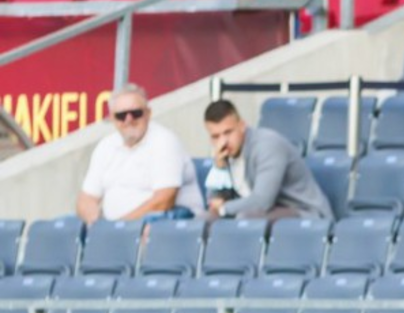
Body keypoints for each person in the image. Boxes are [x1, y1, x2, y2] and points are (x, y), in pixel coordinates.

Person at [76, 84, 203, 225]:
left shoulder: (164, 141)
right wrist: (97, 223)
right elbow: (86, 199)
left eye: (136, 113)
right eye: (121, 115)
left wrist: (120, 226)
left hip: (166, 224)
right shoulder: (105, 146)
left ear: (148, 113)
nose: (129, 119)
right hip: (116, 229)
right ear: (112, 118)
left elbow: (164, 201)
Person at [202, 99, 333, 221]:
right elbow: (213, 203)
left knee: (246, 218)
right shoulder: (225, 153)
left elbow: (262, 202)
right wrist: (219, 168)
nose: (223, 142)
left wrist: (224, 208)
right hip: (267, 213)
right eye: (215, 136)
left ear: (242, 126)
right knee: (205, 219)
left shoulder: (267, 145)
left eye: (228, 132)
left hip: (305, 213)